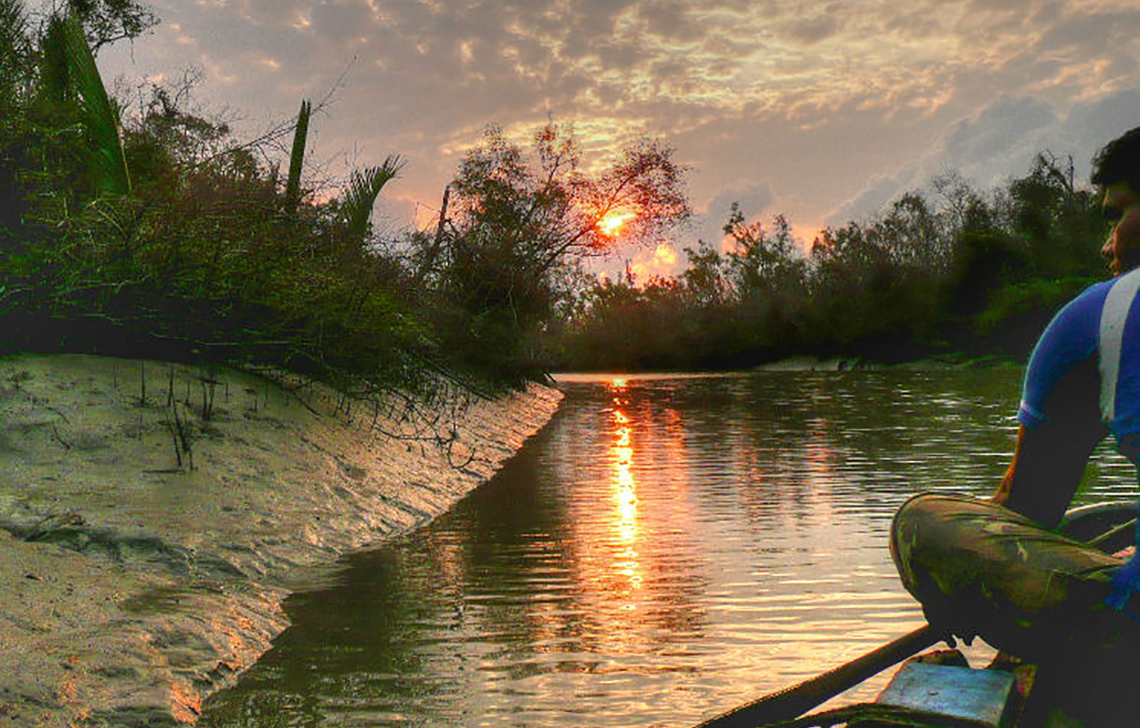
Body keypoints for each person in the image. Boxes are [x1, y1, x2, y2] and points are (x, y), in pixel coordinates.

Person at [989, 124, 1140, 611]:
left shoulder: (1102, 316)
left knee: (922, 522)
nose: (1107, 245)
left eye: (1116, 215)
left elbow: (1025, 513)